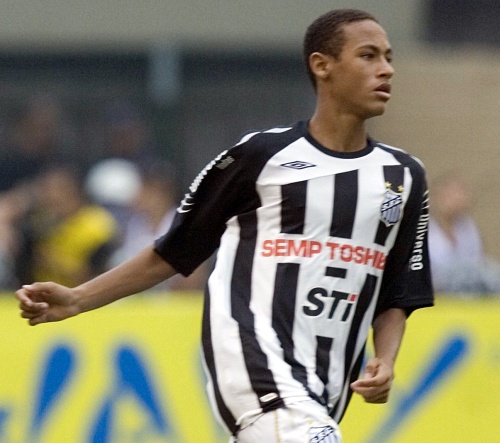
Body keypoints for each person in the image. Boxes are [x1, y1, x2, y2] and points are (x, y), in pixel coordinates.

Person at [16, 9, 434, 443]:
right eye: (368, 55)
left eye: (389, 57)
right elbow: (174, 250)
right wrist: (79, 298)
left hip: (326, 388)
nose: (386, 69)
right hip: (255, 364)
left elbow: (398, 290)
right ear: (322, 65)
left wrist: (386, 359)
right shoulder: (260, 156)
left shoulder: (404, 176)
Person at [428, 173, 500, 295]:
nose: (456, 199)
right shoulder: (425, 229)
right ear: (437, 197)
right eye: (450, 195)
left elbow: (476, 261)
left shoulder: (467, 228)